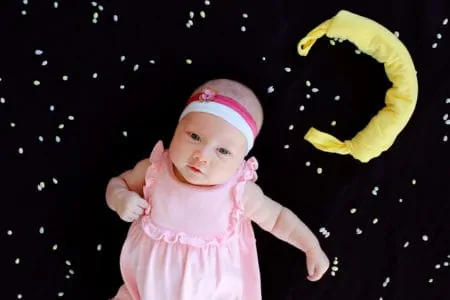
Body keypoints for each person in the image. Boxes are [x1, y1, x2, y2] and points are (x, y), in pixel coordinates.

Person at [106, 78, 330, 300]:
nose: (202, 156)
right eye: (194, 137)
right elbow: (118, 183)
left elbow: (279, 219)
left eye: (222, 151)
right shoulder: (154, 171)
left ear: (241, 161)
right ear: (176, 130)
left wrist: (310, 246)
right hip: (144, 289)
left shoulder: (239, 192)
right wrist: (120, 198)